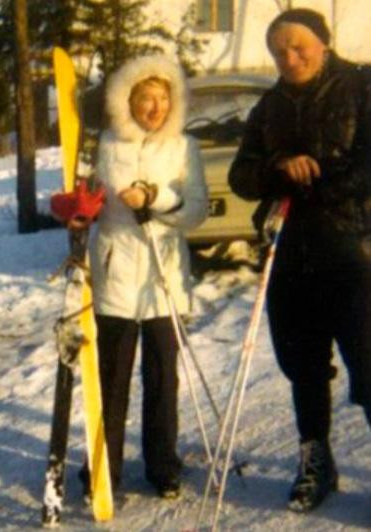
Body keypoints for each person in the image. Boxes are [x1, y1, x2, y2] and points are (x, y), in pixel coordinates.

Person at [228, 8, 371, 513]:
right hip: (290, 254)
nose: (289, 57)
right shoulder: (269, 106)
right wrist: (276, 166)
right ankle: (317, 460)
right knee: (303, 366)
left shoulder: (362, 85)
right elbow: (241, 176)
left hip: (357, 251)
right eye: (278, 50)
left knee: (369, 363)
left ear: (323, 43)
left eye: (298, 46)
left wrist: (318, 179)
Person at [88, 55, 208, 499]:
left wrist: (154, 197)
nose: (154, 108)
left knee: (162, 379)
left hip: (162, 279)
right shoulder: (104, 145)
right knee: (110, 380)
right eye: (145, 98)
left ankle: (163, 467)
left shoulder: (183, 147)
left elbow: (195, 211)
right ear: (127, 101)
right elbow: (88, 198)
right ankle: (103, 469)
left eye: (162, 98)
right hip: (115, 276)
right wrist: (77, 211)